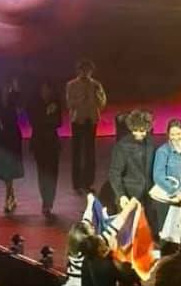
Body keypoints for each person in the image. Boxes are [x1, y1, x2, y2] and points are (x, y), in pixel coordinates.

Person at [150, 118, 181, 240]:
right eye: (172, 134)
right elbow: (158, 176)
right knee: (169, 237)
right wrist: (177, 192)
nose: (175, 137)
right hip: (169, 200)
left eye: (178, 133)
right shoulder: (163, 151)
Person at [108, 110, 156, 229]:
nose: (139, 134)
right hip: (129, 196)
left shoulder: (151, 142)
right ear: (131, 128)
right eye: (136, 130)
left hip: (147, 196)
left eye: (142, 130)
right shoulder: (122, 146)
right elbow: (114, 173)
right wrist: (121, 196)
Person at [66, 60, 107, 194]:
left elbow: (102, 102)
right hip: (78, 120)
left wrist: (96, 96)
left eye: (88, 70)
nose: (85, 72)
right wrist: (81, 99)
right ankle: (77, 183)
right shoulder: (72, 85)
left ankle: (88, 182)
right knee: (77, 152)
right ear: (78, 71)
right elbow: (69, 103)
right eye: (83, 70)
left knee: (90, 152)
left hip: (91, 120)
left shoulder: (96, 85)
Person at [0, 77, 24, 214]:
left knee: (10, 169)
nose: (6, 89)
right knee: (5, 170)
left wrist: (16, 90)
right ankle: (12, 197)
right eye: (4, 86)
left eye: (9, 87)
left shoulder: (14, 100)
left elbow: (21, 107)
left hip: (13, 137)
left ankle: (8, 199)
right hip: (1, 138)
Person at [28, 80, 63, 217]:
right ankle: (45, 201)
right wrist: (47, 114)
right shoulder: (33, 104)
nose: (46, 92)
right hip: (39, 143)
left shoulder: (55, 103)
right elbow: (34, 122)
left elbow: (58, 122)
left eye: (48, 89)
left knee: (53, 173)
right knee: (42, 173)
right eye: (43, 89)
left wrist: (48, 116)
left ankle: (50, 201)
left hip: (53, 143)